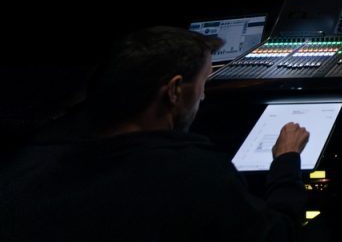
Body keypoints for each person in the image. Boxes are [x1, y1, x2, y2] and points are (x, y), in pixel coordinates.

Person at [0, 26, 311, 241]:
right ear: (174, 90)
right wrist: (286, 161)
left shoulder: (27, 162)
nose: (203, 97)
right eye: (202, 84)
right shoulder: (194, 173)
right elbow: (280, 234)